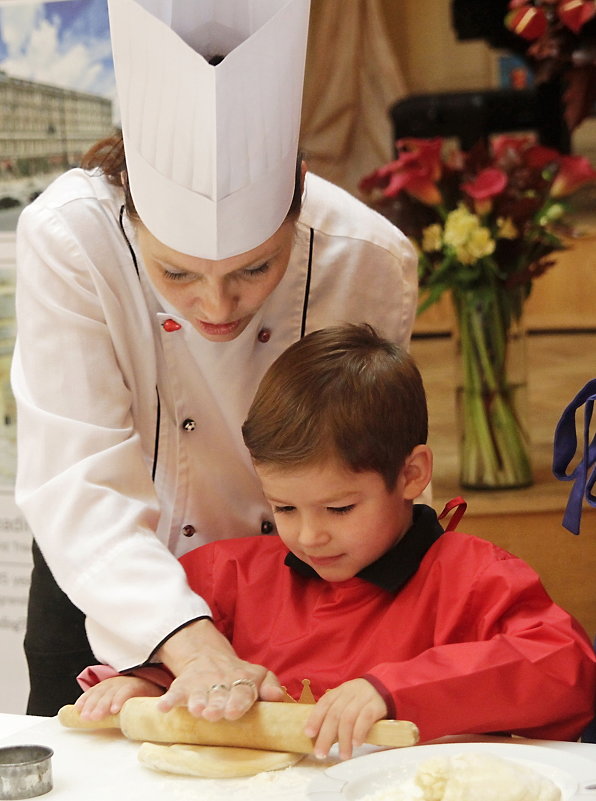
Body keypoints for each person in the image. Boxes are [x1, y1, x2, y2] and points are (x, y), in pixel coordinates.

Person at [11, 0, 418, 717]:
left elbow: (359, 454)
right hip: (103, 582)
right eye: (176, 276)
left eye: (255, 270)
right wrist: (191, 646)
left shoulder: (366, 259)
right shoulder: (71, 239)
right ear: (133, 221)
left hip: (298, 594)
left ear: (299, 209)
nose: (217, 307)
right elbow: (79, 478)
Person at [74, 324, 596, 761]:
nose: (309, 535)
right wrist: (148, 684)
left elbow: (565, 666)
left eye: (340, 508)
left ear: (412, 473)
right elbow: (177, 657)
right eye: (284, 508)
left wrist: (392, 691)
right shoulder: (226, 575)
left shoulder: (474, 578)